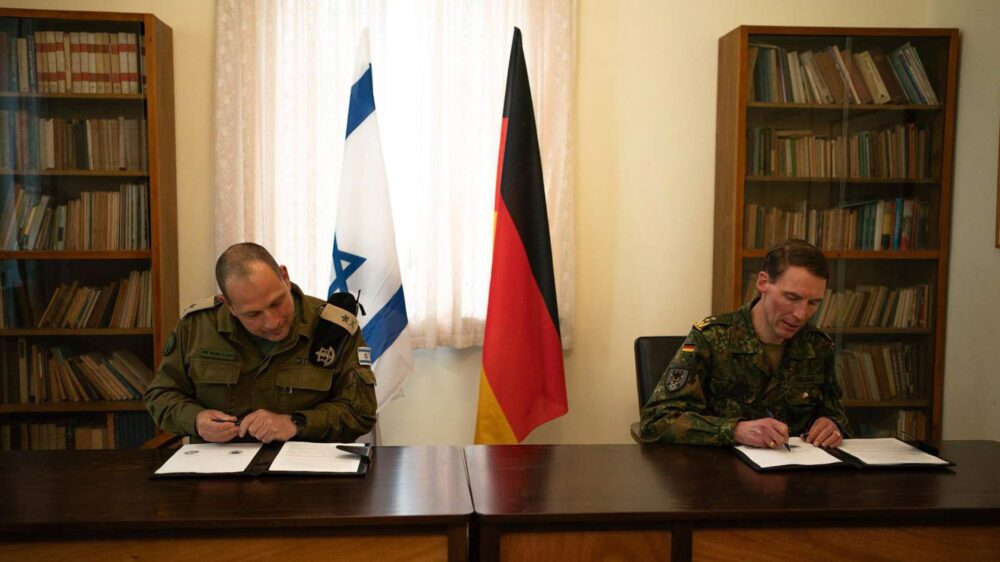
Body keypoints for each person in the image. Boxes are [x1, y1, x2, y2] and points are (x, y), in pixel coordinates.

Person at [144, 243, 377, 444]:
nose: (272, 322)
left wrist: (295, 423)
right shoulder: (196, 327)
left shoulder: (335, 328)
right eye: (253, 314)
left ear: (285, 277)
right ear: (229, 305)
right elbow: (161, 394)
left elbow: (360, 413)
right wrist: (196, 420)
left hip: (303, 473)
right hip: (218, 473)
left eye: (277, 303)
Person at [639, 239, 849, 449]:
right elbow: (657, 421)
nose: (801, 314)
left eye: (813, 303)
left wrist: (832, 426)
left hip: (799, 475)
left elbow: (838, 418)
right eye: (791, 297)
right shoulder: (711, 338)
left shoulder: (818, 346)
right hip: (720, 473)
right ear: (763, 283)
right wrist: (735, 430)